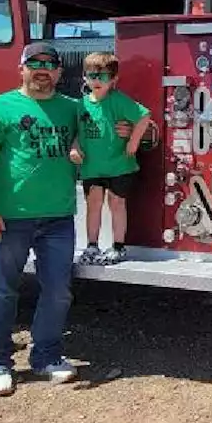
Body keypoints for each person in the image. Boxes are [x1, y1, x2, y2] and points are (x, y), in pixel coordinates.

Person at [0, 43, 83, 397]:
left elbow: (102, 128)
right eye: (35, 63)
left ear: (60, 73)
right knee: (0, 290)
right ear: (22, 68)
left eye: (50, 64)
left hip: (59, 218)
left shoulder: (72, 109)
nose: (42, 70)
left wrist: (132, 130)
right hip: (9, 219)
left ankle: (46, 356)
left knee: (59, 291)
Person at [71, 51, 152, 266]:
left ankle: (118, 246)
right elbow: (76, 132)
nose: (97, 81)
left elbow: (144, 115)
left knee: (116, 203)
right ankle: (91, 245)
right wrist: (75, 147)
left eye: (104, 76)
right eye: (91, 76)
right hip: (91, 167)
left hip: (119, 164)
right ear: (85, 78)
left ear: (114, 79)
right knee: (93, 204)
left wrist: (133, 141)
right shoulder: (80, 105)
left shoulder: (118, 100)